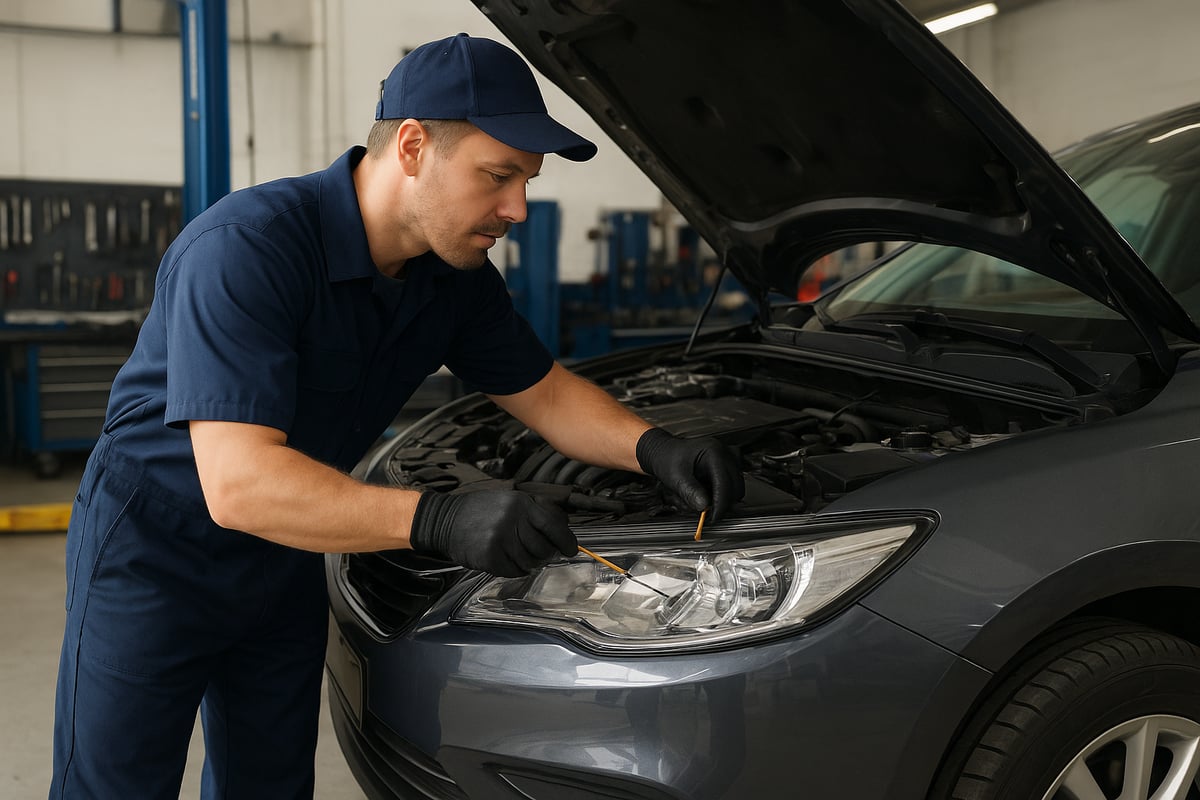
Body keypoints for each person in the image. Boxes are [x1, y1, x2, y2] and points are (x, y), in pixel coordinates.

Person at [50, 32, 744, 798]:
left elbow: (543, 393)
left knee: (269, 783)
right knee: (114, 785)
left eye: (527, 181)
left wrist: (654, 449)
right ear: (412, 146)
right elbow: (239, 484)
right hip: (155, 550)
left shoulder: (454, 276)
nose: (516, 207)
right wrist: (439, 519)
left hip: (288, 544)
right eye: (498, 175)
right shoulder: (248, 248)